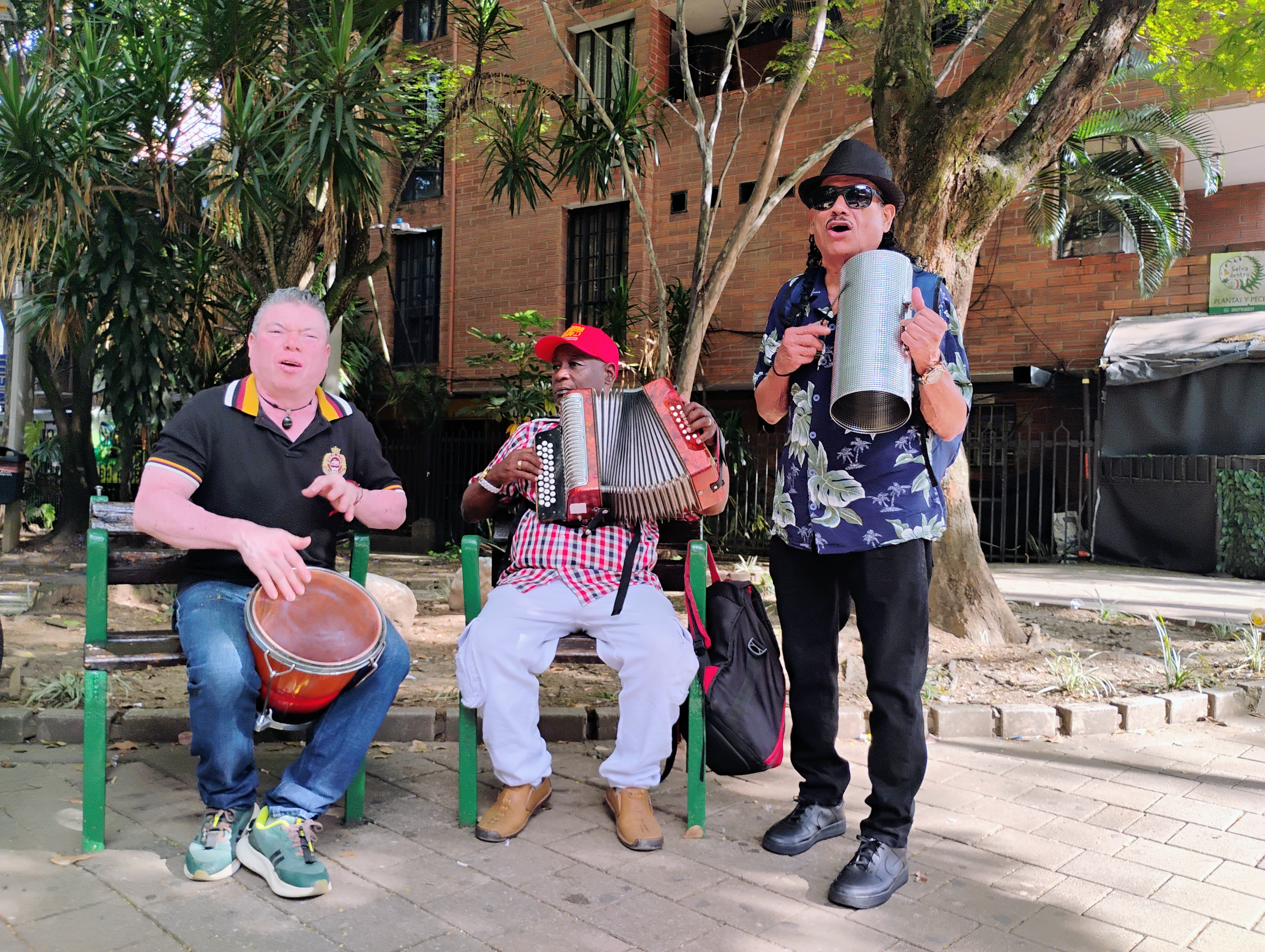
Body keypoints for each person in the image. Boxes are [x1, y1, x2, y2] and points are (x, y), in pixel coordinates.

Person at [133, 288, 410, 899]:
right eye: (278, 333)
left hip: (309, 594)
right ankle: (228, 808)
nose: (292, 346)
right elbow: (153, 508)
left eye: (308, 337)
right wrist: (243, 536)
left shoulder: (347, 422)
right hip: (220, 587)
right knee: (227, 672)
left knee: (390, 657)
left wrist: (357, 499)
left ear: (323, 356)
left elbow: (395, 506)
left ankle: (289, 812)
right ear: (253, 346)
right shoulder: (210, 412)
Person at [752, 140, 971, 910]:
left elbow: (952, 422)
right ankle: (819, 799)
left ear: (886, 214)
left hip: (889, 522)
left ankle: (888, 834)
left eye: (856, 195)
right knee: (808, 671)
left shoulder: (924, 294)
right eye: (824, 198)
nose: (837, 207)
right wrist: (782, 363)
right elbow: (768, 411)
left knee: (894, 684)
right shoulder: (792, 296)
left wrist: (930, 366)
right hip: (803, 521)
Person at [456, 324, 728, 851]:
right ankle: (524, 779)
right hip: (537, 580)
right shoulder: (533, 432)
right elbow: (471, 509)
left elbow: (710, 502)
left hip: (623, 584)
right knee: (490, 644)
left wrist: (709, 441)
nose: (560, 375)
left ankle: (631, 787)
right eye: (556, 367)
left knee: (663, 653)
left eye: (574, 364)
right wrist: (497, 477)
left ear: (611, 374)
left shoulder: (659, 428)